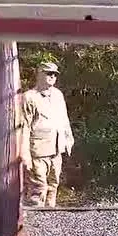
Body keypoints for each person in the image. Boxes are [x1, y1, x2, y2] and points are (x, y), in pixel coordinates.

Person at [22, 61, 74, 207]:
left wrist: (68, 140)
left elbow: (64, 119)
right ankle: (35, 219)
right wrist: (25, 154)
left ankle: (50, 218)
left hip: (56, 149)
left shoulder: (58, 95)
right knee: (38, 187)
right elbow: (24, 126)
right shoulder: (29, 97)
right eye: (49, 73)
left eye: (55, 74)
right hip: (38, 151)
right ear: (40, 75)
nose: (52, 77)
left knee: (53, 184)